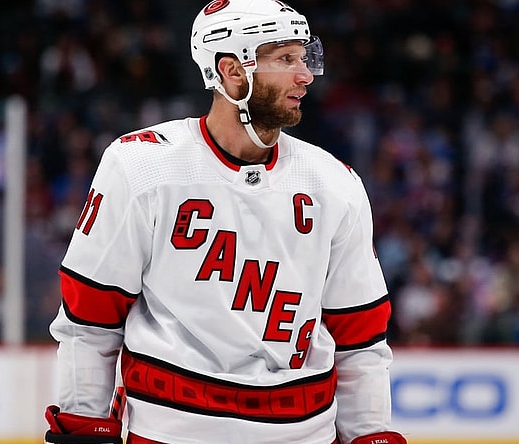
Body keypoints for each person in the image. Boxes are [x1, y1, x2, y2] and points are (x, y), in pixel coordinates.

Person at [43, 1, 407, 443]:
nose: (306, 75)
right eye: (285, 59)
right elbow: (90, 320)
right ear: (233, 72)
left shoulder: (335, 183)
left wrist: (369, 433)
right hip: (171, 433)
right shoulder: (141, 166)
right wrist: (84, 423)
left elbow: (361, 339)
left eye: (304, 57)